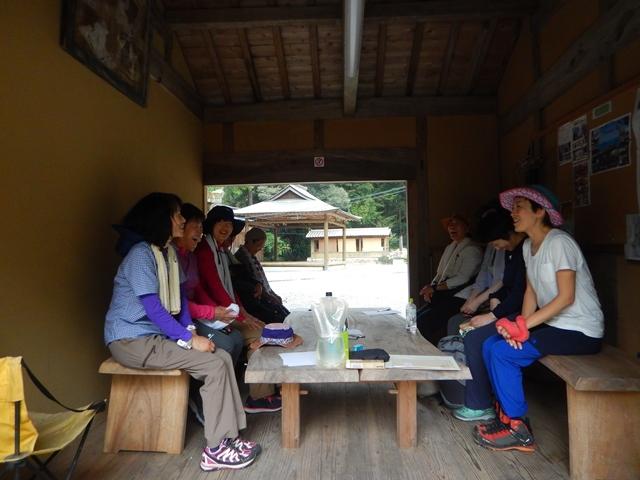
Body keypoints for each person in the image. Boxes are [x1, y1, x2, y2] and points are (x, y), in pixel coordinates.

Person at [104, 193, 260, 471]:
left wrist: (190, 331)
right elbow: (153, 308)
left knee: (222, 357)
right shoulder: (141, 255)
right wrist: (189, 339)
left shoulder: (168, 254)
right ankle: (216, 449)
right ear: (160, 219)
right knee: (213, 366)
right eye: (177, 215)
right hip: (131, 340)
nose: (182, 220)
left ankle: (230, 437)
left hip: (155, 337)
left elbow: (181, 301)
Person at [474, 185, 604, 452]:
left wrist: (522, 326)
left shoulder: (559, 243)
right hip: (554, 325)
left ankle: (518, 429)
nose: (513, 213)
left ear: (540, 211)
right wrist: (519, 329)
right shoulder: (528, 247)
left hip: (580, 330)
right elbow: (531, 292)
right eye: (513, 208)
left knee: (503, 354)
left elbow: (566, 297)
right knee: (490, 345)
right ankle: (505, 416)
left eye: (520, 207)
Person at [195, 205, 282, 414]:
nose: (226, 228)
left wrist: (244, 312)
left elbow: (230, 289)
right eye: (221, 223)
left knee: (264, 329)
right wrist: (242, 317)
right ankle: (259, 397)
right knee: (261, 335)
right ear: (211, 225)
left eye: (229, 224)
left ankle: (267, 389)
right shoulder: (205, 250)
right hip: (212, 315)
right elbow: (216, 287)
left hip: (225, 312)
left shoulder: (219, 250)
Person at [448, 209, 527, 421]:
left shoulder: (524, 251)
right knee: (468, 330)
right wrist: (493, 300)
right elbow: (506, 286)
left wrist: (492, 315)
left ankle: (480, 404)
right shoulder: (512, 251)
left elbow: (520, 294)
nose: (495, 247)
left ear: (507, 233)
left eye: (495, 242)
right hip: (508, 311)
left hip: (523, 315)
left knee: (476, 337)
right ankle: (471, 396)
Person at [173, 203, 244, 365]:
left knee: (237, 338)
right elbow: (178, 303)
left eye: (201, 227)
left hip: (195, 315)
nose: (200, 232)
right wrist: (213, 312)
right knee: (227, 344)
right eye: (195, 226)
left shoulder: (191, 256)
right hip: (185, 317)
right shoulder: (172, 256)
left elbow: (198, 290)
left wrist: (217, 311)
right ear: (180, 227)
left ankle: (232, 377)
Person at [417, 214, 483, 344]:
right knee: (416, 318)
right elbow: (440, 273)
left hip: (460, 297)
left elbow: (463, 278)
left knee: (424, 322)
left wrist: (434, 288)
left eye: (456, 223)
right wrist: (430, 288)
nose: (452, 227)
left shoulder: (472, 249)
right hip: (444, 294)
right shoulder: (450, 247)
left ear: (467, 227)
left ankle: (429, 351)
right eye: (450, 224)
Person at [235, 227, 290, 324]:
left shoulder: (251, 256)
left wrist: (273, 294)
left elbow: (262, 281)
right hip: (254, 301)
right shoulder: (241, 258)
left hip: (263, 297)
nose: (260, 249)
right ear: (250, 242)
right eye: (259, 245)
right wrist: (269, 297)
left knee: (287, 315)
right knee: (282, 318)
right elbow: (254, 284)